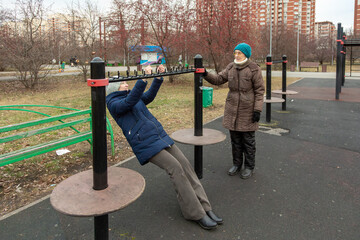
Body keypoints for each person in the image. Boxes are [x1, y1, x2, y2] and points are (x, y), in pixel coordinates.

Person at [106, 65, 222, 230]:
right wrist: (142, 80)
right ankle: (195, 213)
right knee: (175, 169)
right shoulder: (113, 103)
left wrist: (158, 78)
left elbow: (148, 96)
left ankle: (206, 207)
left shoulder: (131, 95)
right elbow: (128, 103)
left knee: (186, 166)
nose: (127, 84)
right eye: (124, 83)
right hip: (145, 143)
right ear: (115, 87)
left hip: (159, 136)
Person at [203, 43, 265, 179]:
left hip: (247, 109)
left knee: (248, 141)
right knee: (235, 139)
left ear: (246, 54)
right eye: (235, 52)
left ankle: (249, 167)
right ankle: (237, 164)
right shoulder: (231, 67)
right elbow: (219, 79)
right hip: (232, 109)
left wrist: (257, 110)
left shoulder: (254, 69)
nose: (236, 55)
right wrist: (205, 73)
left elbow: (260, 91)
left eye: (239, 53)